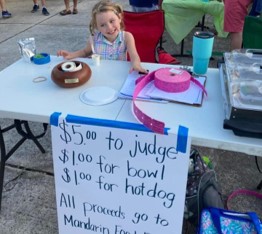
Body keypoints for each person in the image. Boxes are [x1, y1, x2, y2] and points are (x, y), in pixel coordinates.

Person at [57, 0, 147, 73]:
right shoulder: (94, 39)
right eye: (102, 25)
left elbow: (134, 55)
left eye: (112, 21)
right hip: (99, 74)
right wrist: (71, 54)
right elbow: (85, 52)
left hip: (118, 74)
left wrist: (136, 64)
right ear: (97, 26)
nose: (109, 28)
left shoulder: (127, 37)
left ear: (120, 17)